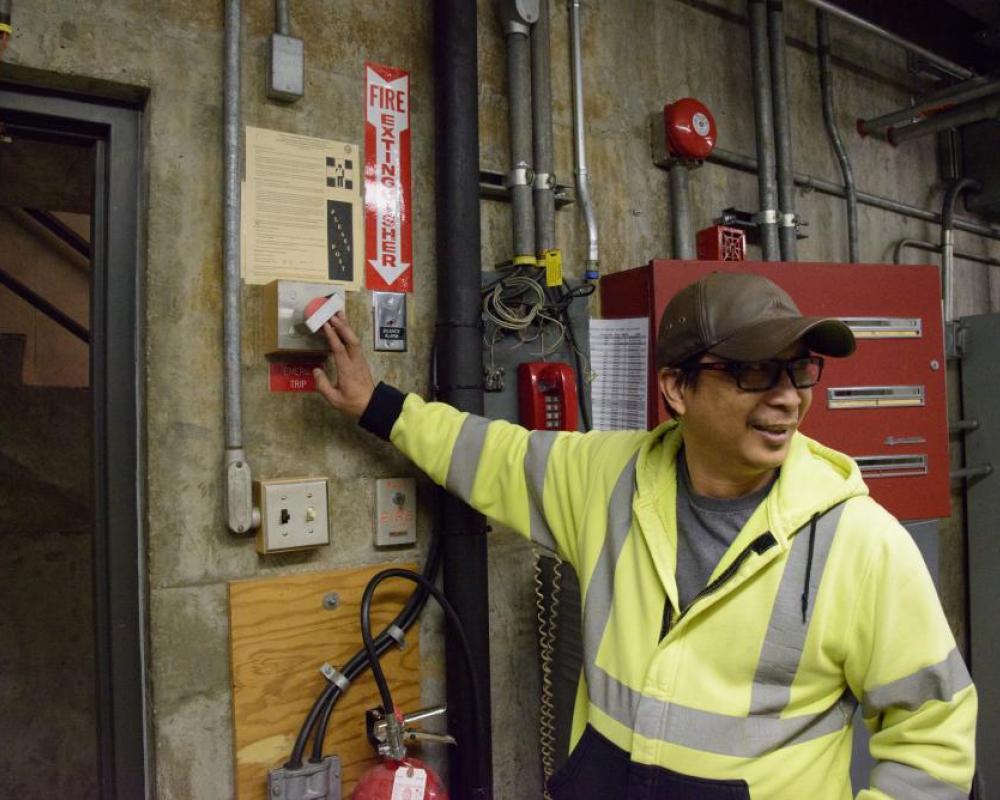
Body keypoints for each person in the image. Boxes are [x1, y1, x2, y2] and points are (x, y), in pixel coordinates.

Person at [313, 271, 976, 799]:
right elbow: (490, 454)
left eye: (800, 371)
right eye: (754, 371)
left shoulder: (859, 542)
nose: (788, 398)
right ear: (677, 388)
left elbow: (933, 733)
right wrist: (377, 404)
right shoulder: (608, 480)